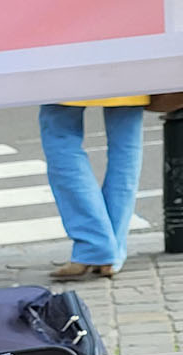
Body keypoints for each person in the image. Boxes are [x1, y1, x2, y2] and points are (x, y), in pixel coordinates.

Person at [39, 97, 148, 278]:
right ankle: (112, 251)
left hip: (68, 72)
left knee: (60, 137)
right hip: (127, 71)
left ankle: (95, 245)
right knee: (126, 141)